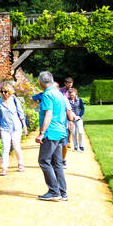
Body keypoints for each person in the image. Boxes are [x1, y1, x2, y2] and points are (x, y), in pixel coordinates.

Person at [34, 70, 69, 201]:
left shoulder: (47, 95)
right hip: (60, 131)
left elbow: (48, 114)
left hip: (51, 132)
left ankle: (54, 191)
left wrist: (42, 133)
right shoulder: (59, 94)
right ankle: (62, 192)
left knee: (43, 161)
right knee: (57, 163)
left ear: (41, 82)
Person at [0, 81, 27, 175]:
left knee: (17, 147)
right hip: (5, 128)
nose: (3, 93)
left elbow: (21, 113)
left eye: (5, 92)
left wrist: (24, 126)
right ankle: (4, 168)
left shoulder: (15, 100)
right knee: (5, 148)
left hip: (16, 127)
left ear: (10, 92)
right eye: (2, 91)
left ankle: (20, 163)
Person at [66, 85, 87, 151]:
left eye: (72, 94)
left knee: (80, 132)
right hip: (70, 119)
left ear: (75, 93)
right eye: (70, 94)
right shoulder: (67, 101)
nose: (71, 96)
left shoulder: (79, 100)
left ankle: (81, 145)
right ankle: (75, 146)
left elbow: (82, 109)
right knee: (74, 133)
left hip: (78, 118)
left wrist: (79, 116)